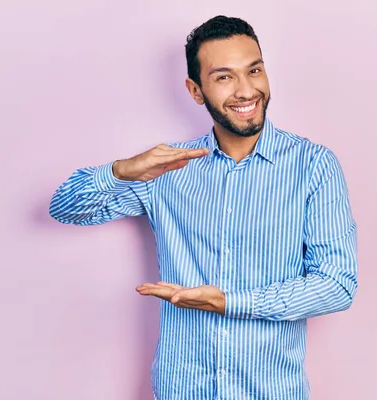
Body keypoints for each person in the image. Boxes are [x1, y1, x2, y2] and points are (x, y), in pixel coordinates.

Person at [49, 15, 358, 400]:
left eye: (255, 70)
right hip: (183, 389)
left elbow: (337, 285)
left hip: (270, 390)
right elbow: (65, 208)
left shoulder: (313, 166)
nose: (247, 91)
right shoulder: (167, 170)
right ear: (196, 91)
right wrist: (122, 170)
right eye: (224, 77)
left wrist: (229, 303)